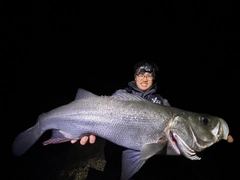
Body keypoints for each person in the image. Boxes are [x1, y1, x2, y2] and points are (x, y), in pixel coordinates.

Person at [71, 60, 170, 179]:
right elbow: (101, 112)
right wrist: (88, 125)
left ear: (153, 79)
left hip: (146, 161)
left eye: (149, 76)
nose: (145, 78)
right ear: (135, 77)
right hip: (115, 153)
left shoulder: (162, 103)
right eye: (141, 75)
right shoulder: (121, 94)